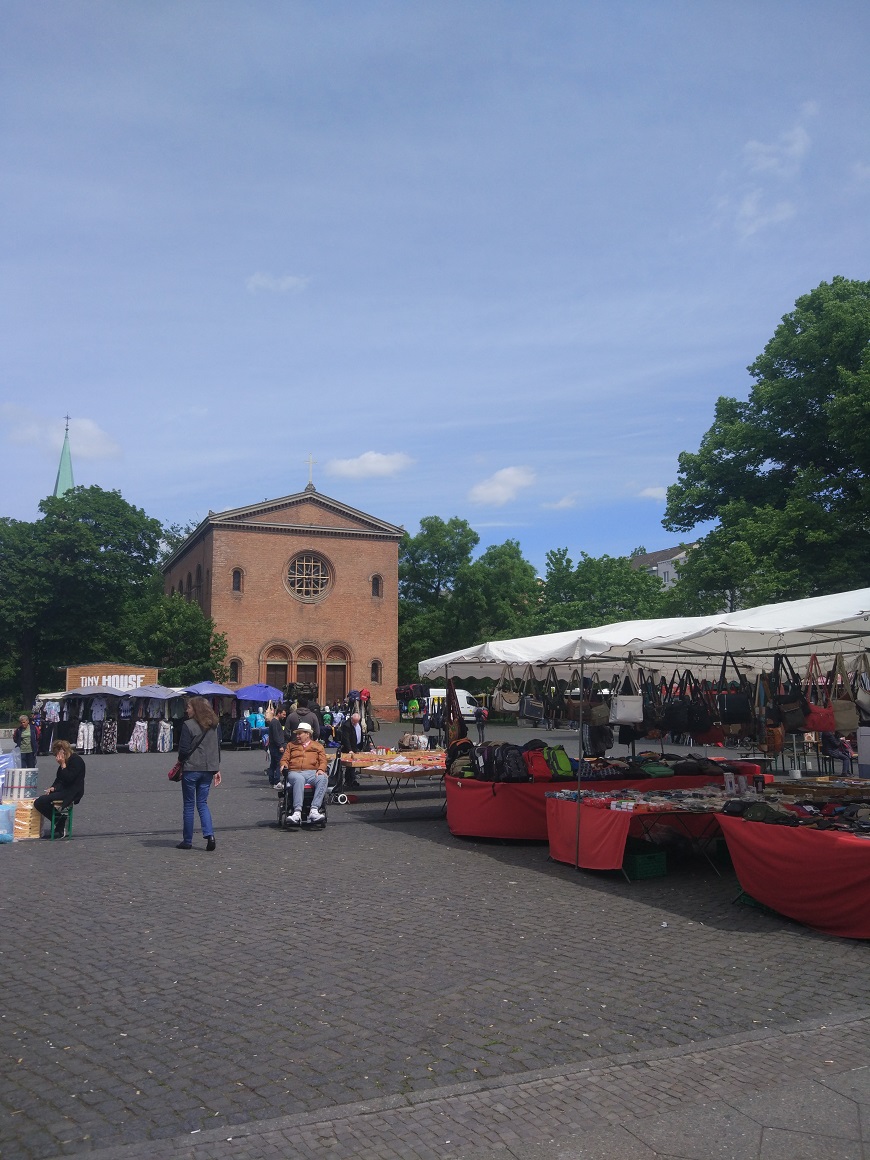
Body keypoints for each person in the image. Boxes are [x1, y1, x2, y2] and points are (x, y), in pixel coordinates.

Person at [176, 696, 222, 851]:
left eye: (189, 707)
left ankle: (187, 840)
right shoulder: (214, 725)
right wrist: (216, 768)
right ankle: (210, 835)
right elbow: (216, 748)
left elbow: (183, 750)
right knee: (202, 803)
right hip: (208, 769)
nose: (187, 710)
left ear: (196, 709)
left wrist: (180, 762)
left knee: (189, 804)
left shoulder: (188, 725)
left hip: (192, 768)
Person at [279, 721, 328, 824]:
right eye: (297, 734)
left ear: (307, 734)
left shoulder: (318, 746)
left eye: (300, 733)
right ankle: (297, 812)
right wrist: (283, 765)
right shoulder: (291, 745)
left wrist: (321, 769)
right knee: (299, 779)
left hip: (312, 773)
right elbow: (284, 759)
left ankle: (314, 810)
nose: (297, 736)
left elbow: (323, 761)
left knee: (323, 778)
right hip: (295, 772)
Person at [34, 740, 85, 837]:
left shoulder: (76, 761)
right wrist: (53, 788)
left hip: (72, 791)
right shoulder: (67, 761)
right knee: (40, 801)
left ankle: (61, 821)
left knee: (41, 801)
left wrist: (63, 765)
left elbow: (69, 778)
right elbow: (59, 778)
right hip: (65, 788)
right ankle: (60, 821)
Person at [339, 711, 366, 789]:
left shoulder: (358, 723)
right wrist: (349, 750)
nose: (355, 723)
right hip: (349, 747)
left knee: (354, 765)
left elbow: (360, 734)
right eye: (354, 721)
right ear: (351, 719)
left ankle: (352, 779)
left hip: (356, 746)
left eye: (356, 721)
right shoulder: (347, 725)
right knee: (349, 765)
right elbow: (346, 739)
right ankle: (348, 781)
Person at [267, 704, 287, 786]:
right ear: (279, 713)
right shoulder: (275, 722)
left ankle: (272, 780)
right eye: (283, 714)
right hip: (276, 747)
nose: (284, 716)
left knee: (273, 764)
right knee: (279, 763)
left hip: (273, 746)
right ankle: (277, 781)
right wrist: (280, 746)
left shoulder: (274, 722)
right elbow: (276, 735)